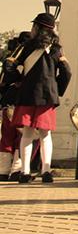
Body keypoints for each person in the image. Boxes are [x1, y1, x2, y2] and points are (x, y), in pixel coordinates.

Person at [3, 13, 71, 183]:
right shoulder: (57, 49)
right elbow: (67, 72)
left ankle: (25, 172)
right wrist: (57, 89)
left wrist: (17, 80)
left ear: (37, 28)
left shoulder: (25, 46)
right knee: (45, 134)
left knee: (27, 134)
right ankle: (46, 171)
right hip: (47, 96)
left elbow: (9, 65)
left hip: (27, 94)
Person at [0, 31, 29, 181]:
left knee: (6, 137)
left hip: (7, 102)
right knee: (21, 136)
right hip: (21, 102)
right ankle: (16, 169)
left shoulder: (10, 59)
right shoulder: (27, 58)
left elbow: (2, 82)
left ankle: (3, 170)